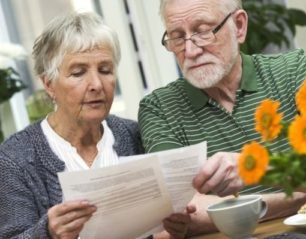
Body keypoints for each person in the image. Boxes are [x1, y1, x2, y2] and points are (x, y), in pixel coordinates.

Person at [138, 0, 306, 237]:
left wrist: (258, 169)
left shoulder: (295, 71)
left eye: (203, 31)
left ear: (239, 26)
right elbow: (188, 214)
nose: (191, 50)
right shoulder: (159, 108)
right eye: (177, 36)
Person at [0, 12, 188, 239]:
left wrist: (177, 227)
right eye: (78, 73)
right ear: (49, 84)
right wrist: (48, 232)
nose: (97, 84)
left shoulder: (136, 134)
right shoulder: (14, 158)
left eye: (105, 70)